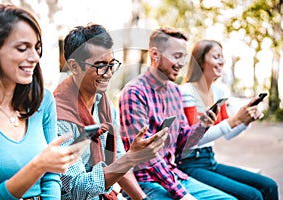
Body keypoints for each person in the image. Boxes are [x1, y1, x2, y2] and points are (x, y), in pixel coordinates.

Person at [0, 4, 89, 200]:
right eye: (22, 48)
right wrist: (39, 164)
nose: (34, 57)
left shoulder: (43, 102)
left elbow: (51, 178)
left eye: (36, 48)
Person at [119, 27, 237, 200]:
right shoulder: (134, 93)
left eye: (184, 57)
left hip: (173, 176)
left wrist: (202, 126)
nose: (182, 63)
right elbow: (146, 155)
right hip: (144, 183)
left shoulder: (175, 91)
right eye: (176, 56)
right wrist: (182, 194)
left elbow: (183, 143)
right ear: (155, 55)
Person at [53, 23, 168, 200]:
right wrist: (132, 158)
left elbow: (118, 160)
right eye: (100, 65)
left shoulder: (103, 104)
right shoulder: (58, 117)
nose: (108, 74)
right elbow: (77, 188)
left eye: (111, 64)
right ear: (74, 67)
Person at [176, 39, 278, 200]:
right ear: (201, 62)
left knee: (270, 186)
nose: (221, 61)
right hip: (189, 164)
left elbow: (227, 134)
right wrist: (235, 120)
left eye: (222, 57)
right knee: (253, 196)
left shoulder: (219, 92)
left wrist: (245, 121)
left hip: (209, 160)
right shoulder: (186, 92)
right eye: (216, 57)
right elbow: (192, 140)